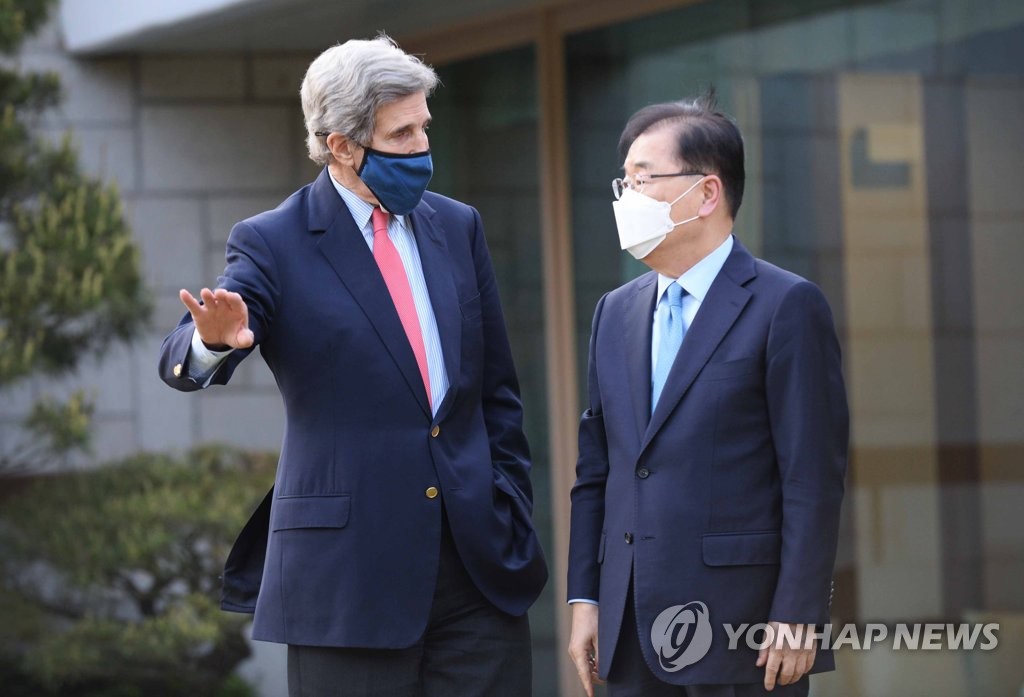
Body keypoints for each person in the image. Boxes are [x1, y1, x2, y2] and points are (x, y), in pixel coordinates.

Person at [157, 35, 547, 697]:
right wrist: (213, 340)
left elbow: (496, 394)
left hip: (479, 569)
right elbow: (183, 356)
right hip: (349, 584)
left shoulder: (458, 227)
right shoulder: (273, 241)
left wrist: (509, 503)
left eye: (425, 125)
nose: (423, 147)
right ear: (341, 145)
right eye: (402, 134)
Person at [566, 90, 849, 697]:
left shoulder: (785, 306)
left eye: (644, 180)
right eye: (623, 183)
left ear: (707, 192)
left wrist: (798, 612)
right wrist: (586, 597)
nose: (627, 198)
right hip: (630, 625)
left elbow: (811, 477)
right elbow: (599, 470)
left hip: (742, 632)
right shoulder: (614, 313)